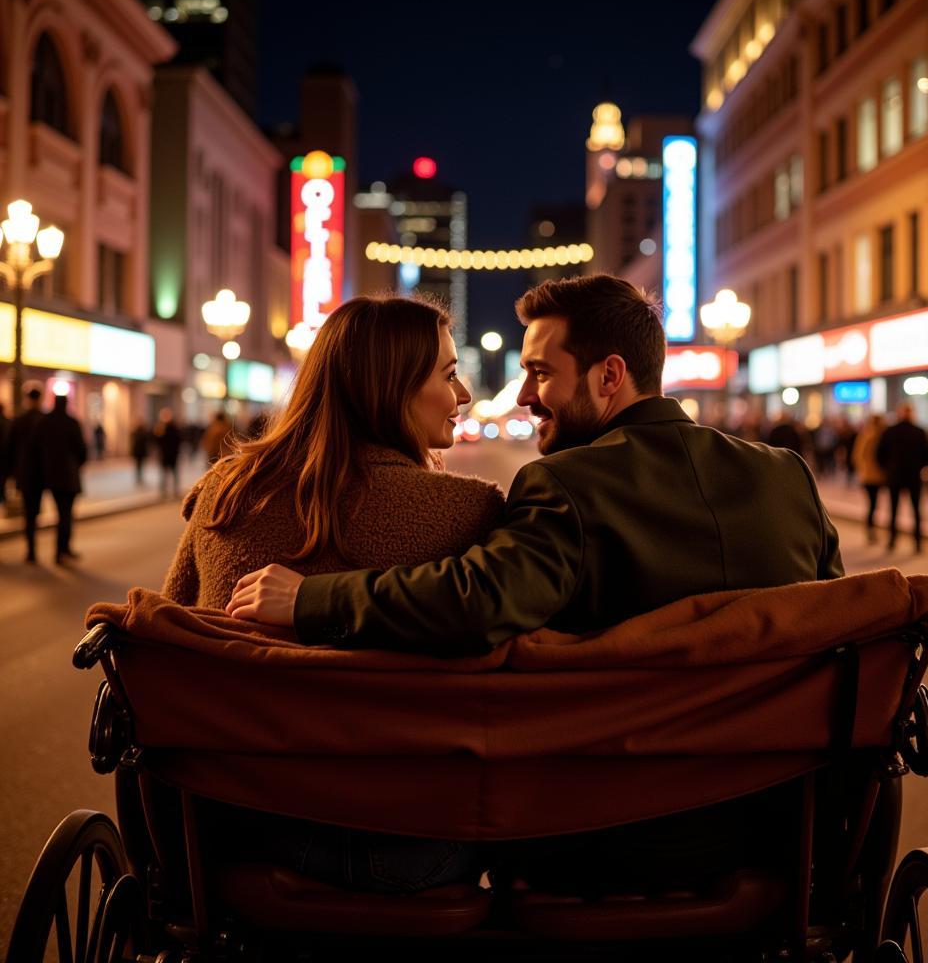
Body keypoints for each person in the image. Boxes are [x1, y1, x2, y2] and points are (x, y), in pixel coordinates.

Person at [227, 273, 843, 896]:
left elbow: (481, 599)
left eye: (541, 373)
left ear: (609, 376)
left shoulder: (568, 486)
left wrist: (311, 597)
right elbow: (832, 621)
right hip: (789, 831)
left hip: (603, 844)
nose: (523, 395)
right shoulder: (786, 478)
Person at [163, 294, 503, 891]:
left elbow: (171, 634)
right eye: (450, 375)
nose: (465, 395)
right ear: (391, 388)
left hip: (234, 830)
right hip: (421, 842)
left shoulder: (225, 491)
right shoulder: (469, 512)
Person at [38, 393, 88, 564]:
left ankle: (60, 550)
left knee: (61, 513)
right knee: (66, 514)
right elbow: (82, 450)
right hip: (69, 475)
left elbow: (38, 448)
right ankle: (63, 549)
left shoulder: (45, 422)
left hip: (52, 476)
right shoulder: (72, 423)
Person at [876, 403, 928, 552]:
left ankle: (892, 540)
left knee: (893, 509)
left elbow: (879, 453)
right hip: (913, 476)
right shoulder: (919, 431)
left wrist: (887, 468)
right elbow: (927, 454)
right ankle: (918, 542)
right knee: (916, 510)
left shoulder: (890, 431)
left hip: (895, 475)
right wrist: (920, 467)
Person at [4, 385, 46, 562]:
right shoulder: (44, 420)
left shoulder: (19, 420)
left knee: (29, 512)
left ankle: (31, 549)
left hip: (24, 473)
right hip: (41, 473)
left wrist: (10, 472)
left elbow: (9, 448)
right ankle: (35, 547)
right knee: (34, 510)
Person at [851, 415, 887, 543]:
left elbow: (857, 455)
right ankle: (871, 529)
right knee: (873, 504)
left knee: (872, 504)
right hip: (876, 475)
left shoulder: (866, 434)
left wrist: (861, 469)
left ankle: (870, 529)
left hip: (867, 475)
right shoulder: (877, 436)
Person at [152, 408, 183, 499]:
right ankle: (163, 491)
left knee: (174, 473)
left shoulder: (174, 427)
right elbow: (157, 441)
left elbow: (178, 440)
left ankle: (175, 490)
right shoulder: (161, 427)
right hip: (164, 454)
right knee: (164, 473)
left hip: (172, 455)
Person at [130, 421, 150, 486]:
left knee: (139, 465)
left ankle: (139, 477)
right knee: (139, 465)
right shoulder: (142, 432)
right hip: (140, 452)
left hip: (138, 452)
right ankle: (139, 477)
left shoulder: (137, 432)